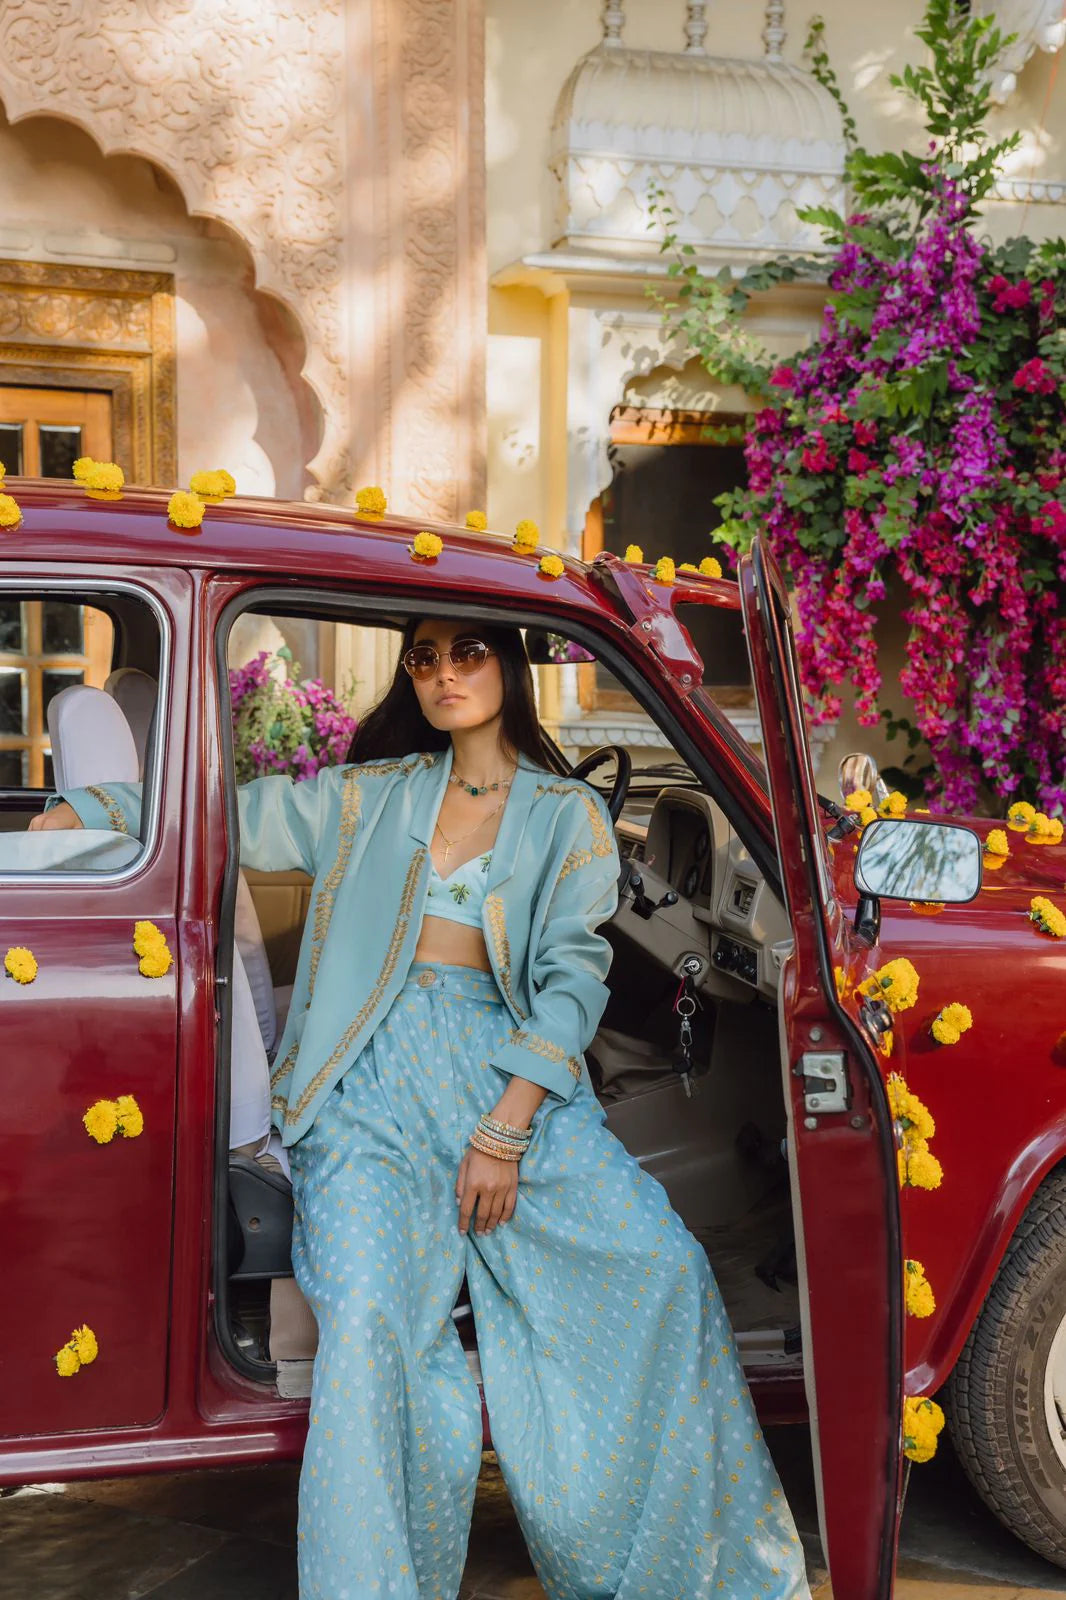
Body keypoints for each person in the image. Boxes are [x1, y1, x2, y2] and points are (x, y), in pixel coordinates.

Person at [34, 618, 810, 1600]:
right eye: (426, 656)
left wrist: (506, 1129)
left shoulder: (566, 814)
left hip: (507, 1076)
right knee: (369, 1323)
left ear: (509, 665)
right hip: (365, 1082)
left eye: (468, 652)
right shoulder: (369, 794)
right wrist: (97, 806)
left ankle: (674, 1570)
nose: (445, 673)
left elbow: (573, 981)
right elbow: (230, 812)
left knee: (664, 1267)